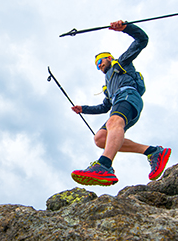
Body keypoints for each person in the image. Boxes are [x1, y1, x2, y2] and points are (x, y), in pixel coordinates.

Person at [70, 20, 171, 186]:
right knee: (100, 138)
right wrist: (84, 109)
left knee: (113, 122)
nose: (99, 65)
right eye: (96, 65)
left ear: (109, 58)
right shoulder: (108, 85)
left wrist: (126, 28)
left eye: (100, 61)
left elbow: (142, 40)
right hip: (119, 100)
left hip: (129, 95)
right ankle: (153, 152)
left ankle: (104, 166)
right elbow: (104, 106)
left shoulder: (121, 63)